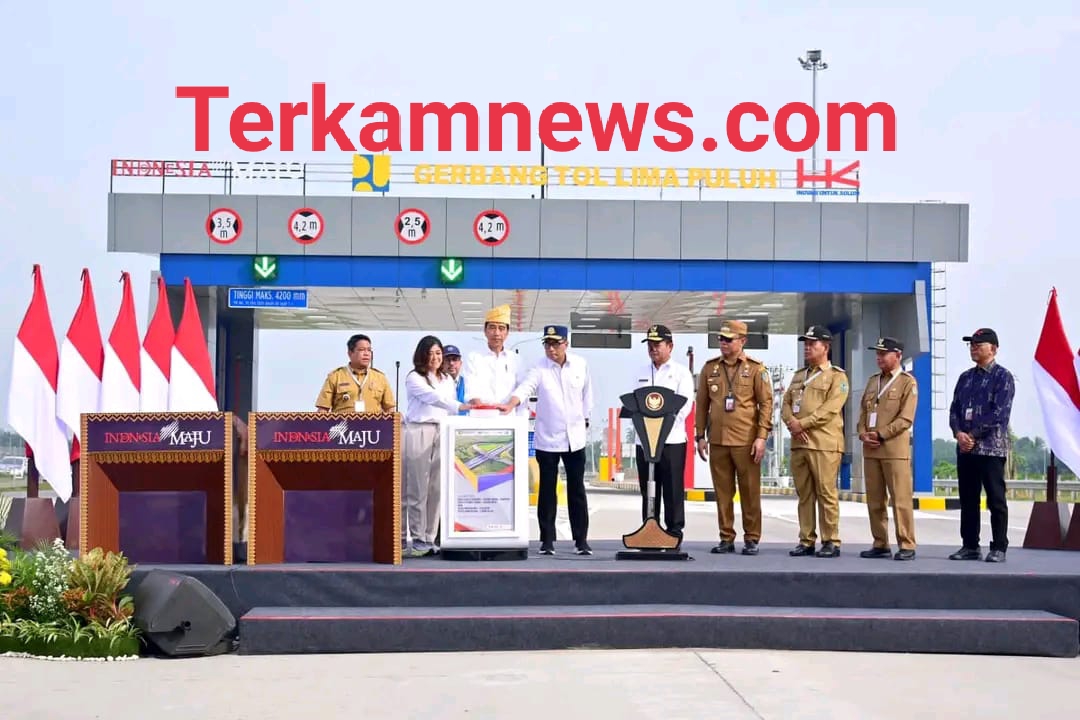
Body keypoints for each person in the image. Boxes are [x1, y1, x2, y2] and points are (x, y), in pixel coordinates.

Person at [499, 325, 594, 555]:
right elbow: (525, 388)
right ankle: (547, 540)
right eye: (547, 344)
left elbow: (587, 396)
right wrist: (510, 404)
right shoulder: (539, 368)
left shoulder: (580, 364)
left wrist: (586, 420)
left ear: (565, 344)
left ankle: (581, 541)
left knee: (576, 490)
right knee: (547, 491)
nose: (551, 349)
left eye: (555, 344)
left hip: (575, 439)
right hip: (548, 438)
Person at [694, 319, 773, 555]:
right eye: (721, 339)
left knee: (749, 491)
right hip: (718, 439)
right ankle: (726, 537)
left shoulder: (756, 369)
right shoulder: (710, 368)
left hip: (746, 440)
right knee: (723, 493)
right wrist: (700, 436)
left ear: (742, 341)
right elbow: (701, 405)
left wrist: (761, 437)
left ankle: (752, 537)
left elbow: (766, 404)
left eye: (729, 339)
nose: (723, 343)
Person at [947, 328, 1015, 563]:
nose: (973, 348)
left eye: (979, 344)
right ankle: (970, 546)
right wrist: (958, 433)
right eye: (971, 345)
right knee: (968, 500)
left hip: (990, 449)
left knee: (996, 499)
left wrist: (973, 435)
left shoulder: (1002, 377)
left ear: (993, 349)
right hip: (965, 449)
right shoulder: (965, 378)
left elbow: (999, 414)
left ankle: (999, 546)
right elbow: (954, 410)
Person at [781, 325, 849, 558]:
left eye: (812, 344)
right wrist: (791, 423)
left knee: (826, 493)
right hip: (799, 443)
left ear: (826, 347)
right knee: (805, 494)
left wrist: (803, 423)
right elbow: (786, 403)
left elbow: (831, 408)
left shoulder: (837, 376)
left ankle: (831, 540)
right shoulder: (800, 375)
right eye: (806, 344)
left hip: (823, 444)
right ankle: (806, 539)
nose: (807, 348)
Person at [402, 336, 473, 557]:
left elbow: (447, 408)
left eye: (438, 353)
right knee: (417, 488)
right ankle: (417, 537)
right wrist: (461, 406)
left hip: (442, 429)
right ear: (422, 355)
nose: (435, 358)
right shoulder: (414, 377)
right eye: (431, 353)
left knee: (436, 488)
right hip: (419, 430)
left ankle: (430, 537)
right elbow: (433, 398)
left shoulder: (447, 379)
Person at [856, 336, 918, 561]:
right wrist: (863, 433)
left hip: (894, 451)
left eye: (884, 353)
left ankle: (907, 544)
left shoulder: (907, 382)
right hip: (871, 450)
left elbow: (906, 419)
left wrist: (880, 434)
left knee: (900, 500)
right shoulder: (873, 381)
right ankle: (880, 543)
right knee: (875, 500)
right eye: (877, 353)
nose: (879, 357)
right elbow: (863, 412)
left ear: (898, 355)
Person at [633, 324, 695, 542]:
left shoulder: (681, 373)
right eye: (650, 344)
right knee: (648, 489)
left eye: (657, 344)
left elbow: (685, 405)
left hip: (671, 441)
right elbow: (634, 403)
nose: (653, 348)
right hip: (645, 441)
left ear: (670, 346)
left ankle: (674, 532)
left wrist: (663, 426)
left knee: (672, 488)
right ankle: (649, 529)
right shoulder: (640, 372)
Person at [463, 304, 525, 415]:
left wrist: (509, 406)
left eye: (501, 328)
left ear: (507, 333)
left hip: (508, 417)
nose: (496, 333)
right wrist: (483, 409)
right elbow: (471, 388)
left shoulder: (515, 359)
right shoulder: (474, 357)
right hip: (481, 417)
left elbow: (522, 389)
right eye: (492, 327)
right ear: (485, 331)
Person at [314, 334, 396, 414]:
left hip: (373, 423)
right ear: (350, 353)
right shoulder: (335, 376)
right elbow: (323, 409)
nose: (366, 353)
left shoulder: (380, 378)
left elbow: (390, 409)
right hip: (343, 423)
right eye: (361, 350)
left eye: (369, 350)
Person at [442, 344, 467, 415]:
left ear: (460, 363)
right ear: (441, 363)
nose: (451, 363)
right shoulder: (437, 384)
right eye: (447, 360)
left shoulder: (468, 383)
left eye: (454, 359)